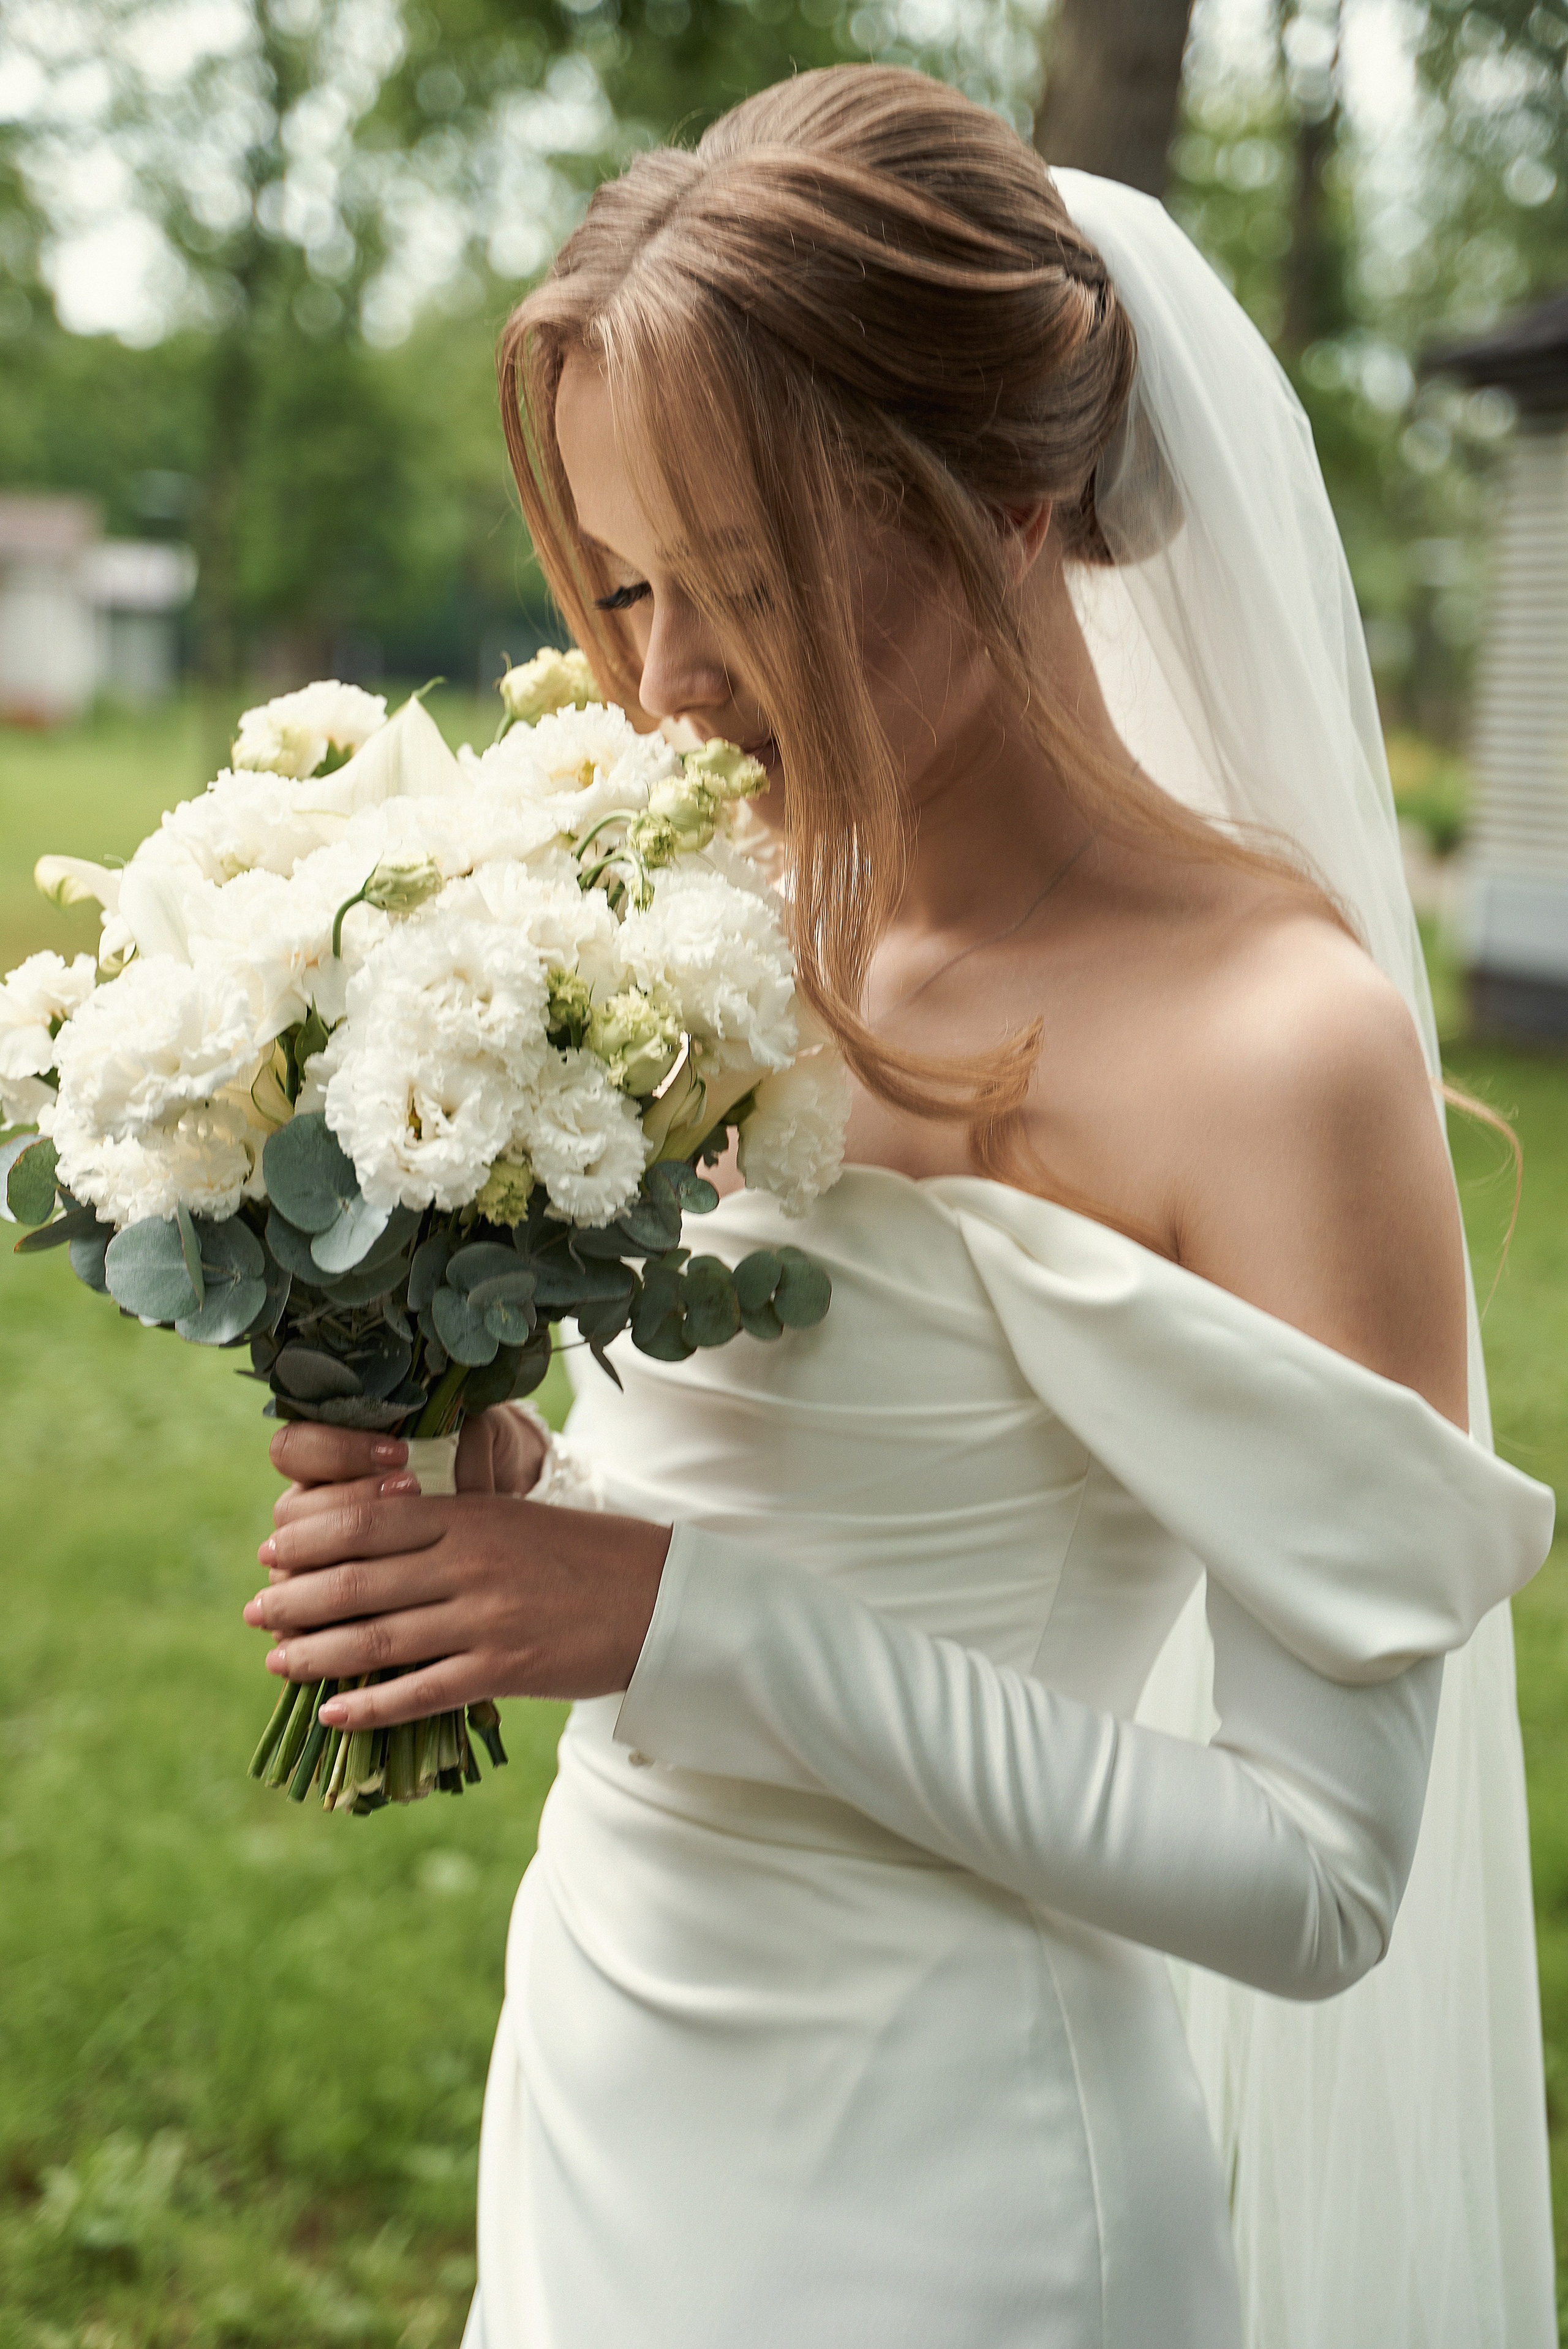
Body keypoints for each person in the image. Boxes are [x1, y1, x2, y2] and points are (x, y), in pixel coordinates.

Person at [243, 67, 1556, 2348]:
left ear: (1013, 507)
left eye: (745, 580)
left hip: (960, 2185)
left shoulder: (1275, 1044)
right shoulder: (699, 924)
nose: (663, 678)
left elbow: (1323, 1880)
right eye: (631, 581)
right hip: (611, 2064)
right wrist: (481, 1467)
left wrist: (672, 1615)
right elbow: (787, 1455)